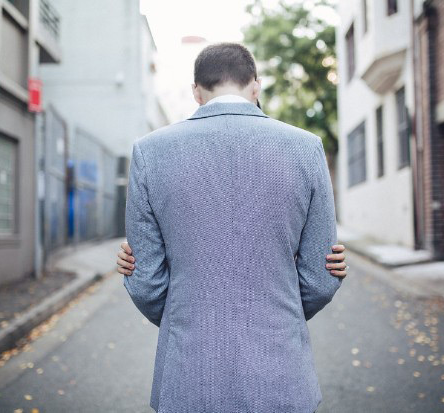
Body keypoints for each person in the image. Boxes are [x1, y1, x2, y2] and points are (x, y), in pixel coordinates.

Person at [117, 42, 348, 413]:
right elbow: (322, 276)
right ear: (255, 86)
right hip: (280, 373)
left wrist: (189, 316)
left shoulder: (149, 152)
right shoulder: (306, 148)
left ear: (197, 92)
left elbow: (144, 280)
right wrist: (277, 313)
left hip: (189, 374)